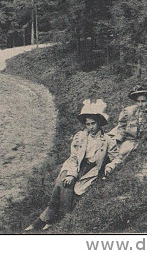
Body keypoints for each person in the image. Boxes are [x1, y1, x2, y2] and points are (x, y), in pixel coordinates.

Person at [25, 99, 117, 231]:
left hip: (91, 170)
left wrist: (110, 166)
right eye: (88, 124)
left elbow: (117, 157)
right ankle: (45, 221)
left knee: (74, 192)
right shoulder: (80, 137)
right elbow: (74, 156)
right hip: (75, 165)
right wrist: (72, 174)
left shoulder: (107, 140)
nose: (90, 127)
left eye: (93, 124)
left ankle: (49, 220)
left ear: (99, 123)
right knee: (63, 184)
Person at [104, 87, 147, 177]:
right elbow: (121, 127)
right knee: (122, 153)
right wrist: (118, 140)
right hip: (130, 140)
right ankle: (110, 168)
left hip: (146, 142)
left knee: (141, 157)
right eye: (138, 101)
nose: (140, 104)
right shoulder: (129, 111)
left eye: (143, 101)